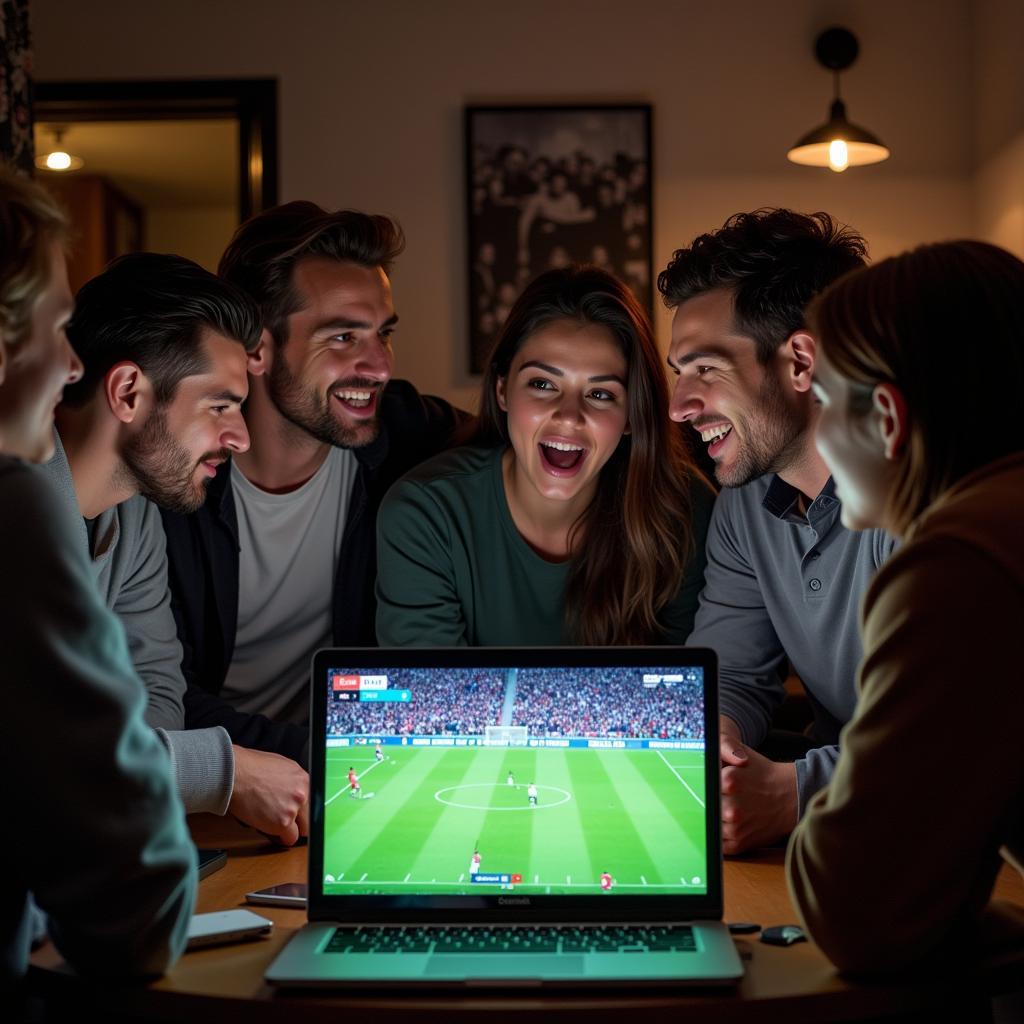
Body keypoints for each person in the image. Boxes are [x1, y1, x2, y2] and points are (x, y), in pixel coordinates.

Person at [787, 240, 1024, 974]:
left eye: (821, 401)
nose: (815, 433)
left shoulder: (961, 562)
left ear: (888, 418)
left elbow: (855, 911)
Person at [161, 202, 469, 734]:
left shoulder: (407, 434)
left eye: (383, 334)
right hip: (219, 785)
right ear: (256, 348)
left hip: (357, 770)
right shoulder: (174, 475)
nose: (379, 366)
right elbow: (163, 695)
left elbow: (534, 439)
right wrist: (305, 761)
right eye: (343, 337)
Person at [0, 167, 194, 989]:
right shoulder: (15, 505)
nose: (70, 364)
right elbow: (137, 905)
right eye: (57, 324)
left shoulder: (127, 518)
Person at [658, 209, 896, 855]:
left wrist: (794, 792)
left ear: (800, 361)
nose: (679, 404)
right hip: (850, 836)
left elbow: (970, 734)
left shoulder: (924, 490)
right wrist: (720, 746)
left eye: (705, 368)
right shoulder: (744, 501)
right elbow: (732, 671)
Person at [49, 253, 308, 843]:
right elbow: (29, 751)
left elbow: (155, 698)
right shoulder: (16, 507)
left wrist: (142, 770)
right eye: (220, 404)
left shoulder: (136, 513)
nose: (240, 437)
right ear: (129, 392)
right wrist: (227, 772)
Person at [376, 265, 714, 646]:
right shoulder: (425, 514)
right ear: (503, 391)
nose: (569, 416)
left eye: (601, 394)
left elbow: (690, 691)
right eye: (542, 384)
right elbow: (435, 699)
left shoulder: (683, 511)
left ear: (631, 417)